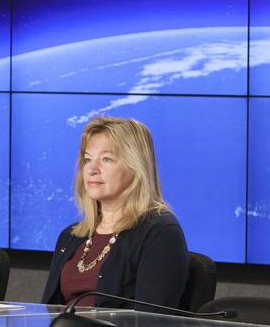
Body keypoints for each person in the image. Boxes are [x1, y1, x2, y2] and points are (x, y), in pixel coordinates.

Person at [41, 116, 188, 308]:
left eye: (106, 159)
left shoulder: (160, 233)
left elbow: (149, 326)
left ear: (136, 166)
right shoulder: (70, 236)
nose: (92, 169)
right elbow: (46, 313)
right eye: (87, 159)